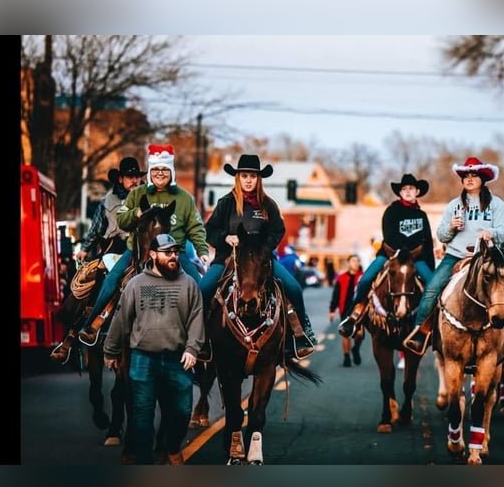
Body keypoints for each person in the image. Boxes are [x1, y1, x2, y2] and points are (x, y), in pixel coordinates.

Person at [403, 157, 504, 354]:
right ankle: (421, 333)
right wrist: (451, 227)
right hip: (456, 255)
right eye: (465, 176)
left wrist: (491, 233)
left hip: (489, 256)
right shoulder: (454, 205)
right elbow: (441, 235)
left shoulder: (496, 204)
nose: (469, 179)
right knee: (432, 288)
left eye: (474, 175)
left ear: (482, 179)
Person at [78, 144, 210, 346]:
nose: (159, 174)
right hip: (137, 250)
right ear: (150, 172)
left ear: (171, 172)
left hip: (175, 253)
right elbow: (122, 220)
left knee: (197, 284)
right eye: (155, 170)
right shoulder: (137, 194)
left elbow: (195, 227)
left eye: (164, 170)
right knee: (112, 279)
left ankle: (203, 339)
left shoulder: (184, 198)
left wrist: (201, 251)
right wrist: (136, 214)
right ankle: (92, 325)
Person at [198, 154, 317, 359]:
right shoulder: (226, 203)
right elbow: (209, 230)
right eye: (244, 176)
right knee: (202, 289)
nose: (248, 180)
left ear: (258, 179)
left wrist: (263, 248)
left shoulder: (268, 205)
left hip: (262, 261)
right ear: (238, 178)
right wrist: (226, 237)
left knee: (294, 288)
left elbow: (278, 231)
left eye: (252, 176)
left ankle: (300, 335)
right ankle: (201, 340)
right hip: (229, 258)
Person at [103, 233, 204, 465]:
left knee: (182, 411)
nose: (173, 256)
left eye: (176, 252)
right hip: (143, 359)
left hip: (178, 359)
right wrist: (111, 351)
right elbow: (121, 319)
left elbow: (197, 318)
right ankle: (145, 460)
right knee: (142, 415)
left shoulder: (188, 283)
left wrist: (192, 349)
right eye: (167, 252)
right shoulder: (137, 284)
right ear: (152, 254)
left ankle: (171, 447)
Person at [51, 157, 146, 362]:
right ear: (120, 179)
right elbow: (96, 229)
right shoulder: (107, 201)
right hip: (115, 246)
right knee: (95, 282)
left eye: (137, 177)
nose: (135, 181)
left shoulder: (148, 196)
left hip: (144, 246)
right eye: (130, 177)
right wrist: (85, 249)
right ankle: (80, 329)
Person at [338, 173, 436, 338]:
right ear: (400, 192)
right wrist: (403, 250)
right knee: (366, 279)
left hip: (416, 258)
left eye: (411, 188)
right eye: (404, 189)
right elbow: (389, 234)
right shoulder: (392, 210)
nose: (407, 191)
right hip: (390, 254)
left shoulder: (422, 215)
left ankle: (431, 323)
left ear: (417, 191)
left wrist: (430, 264)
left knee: (434, 285)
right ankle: (352, 317)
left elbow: (427, 242)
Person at [329, 254, 365, 367]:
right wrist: (332, 310)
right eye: (353, 261)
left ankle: (356, 348)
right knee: (345, 334)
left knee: (359, 334)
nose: (356, 263)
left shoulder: (363, 277)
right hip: (345, 309)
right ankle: (346, 358)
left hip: (359, 309)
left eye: (357, 261)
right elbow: (336, 294)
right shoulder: (341, 277)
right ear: (349, 263)